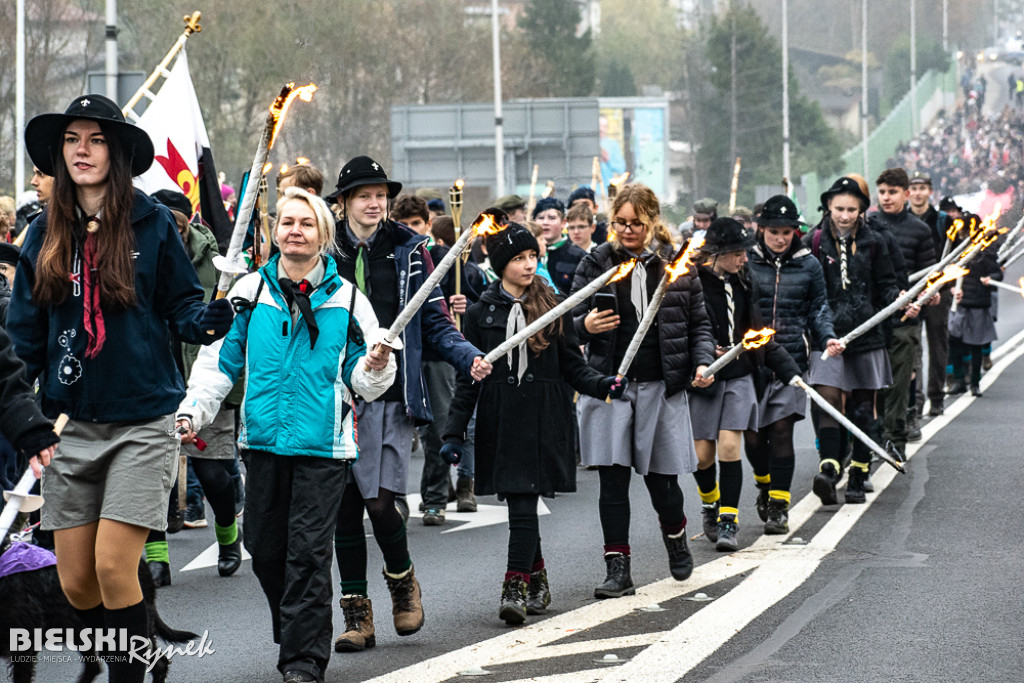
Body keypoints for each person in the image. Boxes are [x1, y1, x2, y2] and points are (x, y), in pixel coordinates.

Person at [9, 93, 234, 683]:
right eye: (72, 140)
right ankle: (142, 651)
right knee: (75, 581)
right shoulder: (40, 234)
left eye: (97, 139)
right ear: (59, 154)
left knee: (114, 569)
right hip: (66, 427)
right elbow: (21, 340)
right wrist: (18, 418)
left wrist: (205, 319)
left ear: (117, 152)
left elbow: (183, 305)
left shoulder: (153, 222)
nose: (83, 151)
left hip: (142, 422)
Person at [178, 186, 396, 683]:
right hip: (263, 446)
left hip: (324, 448)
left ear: (323, 235)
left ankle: (302, 661)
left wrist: (378, 363)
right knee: (265, 548)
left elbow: (365, 382)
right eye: (287, 223)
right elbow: (220, 364)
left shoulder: (349, 301)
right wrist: (192, 411)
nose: (294, 231)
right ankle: (298, 626)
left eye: (306, 224)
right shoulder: (248, 293)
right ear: (275, 232)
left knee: (308, 557)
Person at [325, 156, 491, 652]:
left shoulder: (411, 251)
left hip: (389, 394)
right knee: (343, 508)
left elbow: (435, 322)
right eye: (363, 195)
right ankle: (357, 614)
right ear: (344, 203)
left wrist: (468, 357)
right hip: (332, 395)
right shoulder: (321, 247)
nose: (374, 203)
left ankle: (402, 583)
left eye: (381, 195)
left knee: (378, 501)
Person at [442, 223, 627, 624]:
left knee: (523, 504)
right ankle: (537, 578)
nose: (529, 265)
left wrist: (604, 384)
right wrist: (454, 433)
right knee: (521, 504)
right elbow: (467, 380)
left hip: (544, 417)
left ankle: (515, 585)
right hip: (502, 418)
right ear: (501, 265)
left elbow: (574, 369)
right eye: (519, 259)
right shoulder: (478, 314)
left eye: (532, 257)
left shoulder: (554, 306)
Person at [572, 183, 715, 598]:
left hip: (660, 385)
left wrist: (702, 362)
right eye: (620, 223)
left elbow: (699, 324)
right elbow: (570, 313)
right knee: (612, 482)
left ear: (653, 221)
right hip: (610, 384)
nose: (628, 230)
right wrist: (585, 326)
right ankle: (618, 568)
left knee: (662, 483)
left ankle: (675, 536)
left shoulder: (677, 265)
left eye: (637, 223)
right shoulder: (597, 261)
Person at [688, 217, 800, 552]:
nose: (744, 259)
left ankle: (728, 521)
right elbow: (688, 331)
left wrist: (788, 369)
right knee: (702, 455)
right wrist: (704, 356)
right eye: (737, 253)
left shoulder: (744, 282)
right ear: (718, 252)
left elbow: (758, 333)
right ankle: (710, 504)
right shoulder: (692, 282)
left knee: (729, 447)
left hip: (739, 375)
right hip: (704, 378)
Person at [803, 177, 905, 506]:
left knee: (863, 405)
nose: (845, 216)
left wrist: (899, 298)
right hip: (826, 335)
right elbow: (806, 288)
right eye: (839, 209)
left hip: (867, 335)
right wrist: (818, 330)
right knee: (828, 400)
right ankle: (830, 469)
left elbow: (887, 284)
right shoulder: (814, 241)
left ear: (861, 209)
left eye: (851, 209)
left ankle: (859, 474)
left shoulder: (876, 241)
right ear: (828, 208)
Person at [746, 195, 839, 534]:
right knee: (754, 439)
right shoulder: (746, 261)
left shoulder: (809, 264)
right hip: (750, 363)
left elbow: (818, 308)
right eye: (773, 232)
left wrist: (826, 336)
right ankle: (764, 484)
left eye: (787, 232)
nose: (781, 239)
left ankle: (779, 506)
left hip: (790, 362)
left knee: (782, 431)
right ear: (762, 230)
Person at [418, 214, 488, 521]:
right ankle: (438, 488)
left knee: (453, 425)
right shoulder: (405, 259)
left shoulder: (464, 270)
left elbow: (484, 308)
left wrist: (465, 305)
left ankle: (463, 485)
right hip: (413, 355)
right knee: (428, 429)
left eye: (418, 223)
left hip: (451, 355)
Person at [869, 168, 934, 459]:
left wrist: (923, 298)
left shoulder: (920, 230)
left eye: (892, 192)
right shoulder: (867, 226)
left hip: (906, 320)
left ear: (906, 194)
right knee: (874, 385)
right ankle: (872, 438)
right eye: (882, 192)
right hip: (872, 319)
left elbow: (930, 277)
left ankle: (895, 440)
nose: (886, 198)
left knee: (897, 384)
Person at [909, 175, 956, 416]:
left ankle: (936, 397)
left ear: (929, 191)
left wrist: (948, 285)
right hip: (912, 291)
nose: (917, 193)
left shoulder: (944, 221)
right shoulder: (903, 221)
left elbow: (956, 256)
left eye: (921, 189)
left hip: (939, 290)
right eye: (913, 189)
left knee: (938, 344)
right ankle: (915, 402)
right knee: (912, 346)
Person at [947, 214, 1001, 397]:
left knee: (976, 346)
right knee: (954, 341)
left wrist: (990, 278)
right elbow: (946, 276)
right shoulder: (958, 250)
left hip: (978, 305)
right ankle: (959, 380)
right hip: (960, 305)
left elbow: (997, 273)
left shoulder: (986, 251)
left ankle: (975, 383)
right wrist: (952, 288)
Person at [533, 197, 586, 296]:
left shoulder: (579, 257)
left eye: (552, 218)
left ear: (563, 223)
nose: (545, 222)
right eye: (540, 218)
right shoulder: (527, 255)